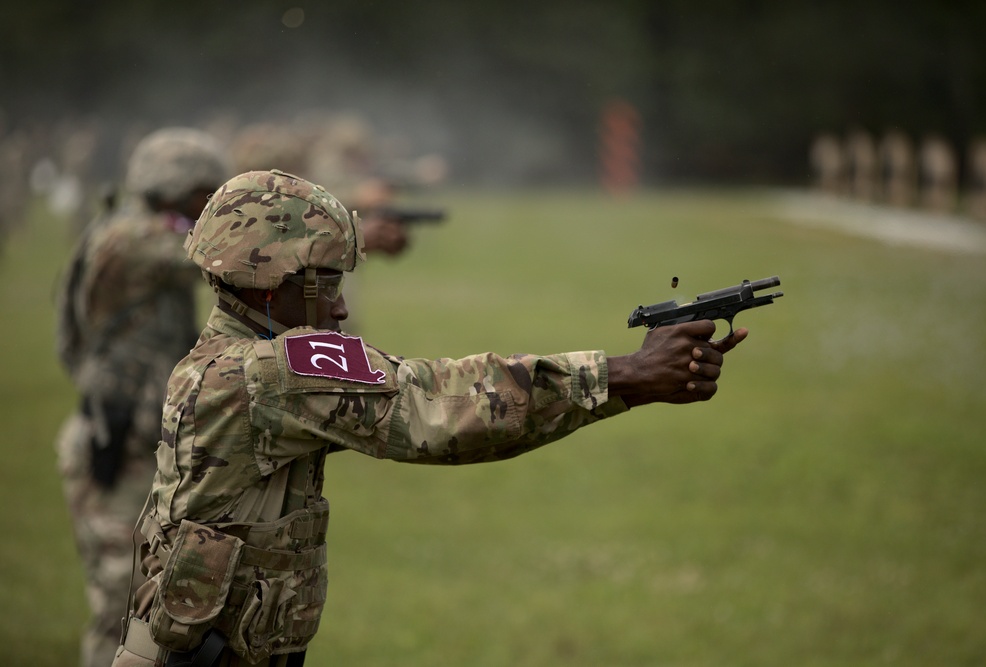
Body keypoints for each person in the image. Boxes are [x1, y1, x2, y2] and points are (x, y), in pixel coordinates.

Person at [111, 170, 748, 667]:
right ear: (270, 283)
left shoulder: (233, 358)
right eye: (325, 283)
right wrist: (623, 374)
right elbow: (434, 404)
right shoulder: (263, 374)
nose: (337, 308)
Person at [53, 127, 230, 667]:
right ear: (174, 187)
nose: (213, 202)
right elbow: (222, 255)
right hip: (117, 444)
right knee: (121, 608)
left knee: (155, 609)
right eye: (206, 191)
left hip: (140, 441)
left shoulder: (137, 227)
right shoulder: (132, 237)